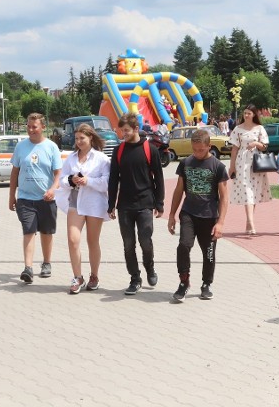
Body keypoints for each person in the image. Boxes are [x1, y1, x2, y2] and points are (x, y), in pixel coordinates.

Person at [167, 130, 229, 303]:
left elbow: (224, 196)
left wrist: (221, 222)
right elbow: (179, 190)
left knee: (208, 253)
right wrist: (171, 215)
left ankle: (206, 284)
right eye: (194, 149)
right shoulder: (186, 163)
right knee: (183, 246)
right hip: (189, 213)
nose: (197, 153)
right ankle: (184, 282)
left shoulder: (218, 166)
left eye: (201, 150)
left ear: (209, 146)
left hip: (209, 217)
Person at [108, 113, 165, 295]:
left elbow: (159, 179)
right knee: (128, 244)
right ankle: (135, 278)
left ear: (135, 128)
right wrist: (111, 204)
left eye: (125, 130)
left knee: (145, 241)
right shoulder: (119, 151)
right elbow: (113, 180)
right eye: (121, 130)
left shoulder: (150, 150)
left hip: (145, 203)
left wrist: (160, 203)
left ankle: (150, 268)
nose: (122, 133)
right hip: (124, 205)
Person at [55, 123, 111, 294]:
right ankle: (77, 277)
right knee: (73, 240)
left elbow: (106, 183)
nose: (78, 141)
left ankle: (94, 276)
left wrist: (89, 181)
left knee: (92, 241)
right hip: (75, 202)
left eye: (82, 138)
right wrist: (71, 180)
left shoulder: (102, 159)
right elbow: (62, 180)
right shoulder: (71, 158)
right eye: (76, 138)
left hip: (94, 204)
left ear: (90, 138)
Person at [9, 112, 62, 283]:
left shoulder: (51, 147)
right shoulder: (20, 147)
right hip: (25, 198)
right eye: (29, 127)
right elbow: (15, 172)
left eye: (34, 127)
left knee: (46, 232)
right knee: (29, 230)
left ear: (43, 127)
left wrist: (53, 189)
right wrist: (12, 196)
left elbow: (58, 174)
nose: (31, 130)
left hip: (46, 199)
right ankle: (28, 268)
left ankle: (46, 263)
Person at [227, 104, 271, 235]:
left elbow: (264, 146)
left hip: (256, 163)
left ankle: (248, 221)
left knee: (253, 191)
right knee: (246, 190)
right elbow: (234, 149)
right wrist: (232, 166)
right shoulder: (238, 129)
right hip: (242, 162)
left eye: (249, 113)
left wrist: (256, 143)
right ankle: (251, 222)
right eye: (245, 113)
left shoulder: (259, 128)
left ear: (254, 115)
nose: (246, 115)